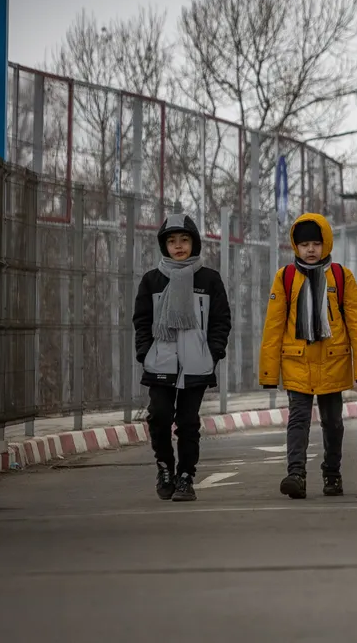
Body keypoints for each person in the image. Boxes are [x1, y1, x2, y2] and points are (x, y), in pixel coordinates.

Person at [259, 213, 357, 500]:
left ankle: (332, 473)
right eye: (304, 244)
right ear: (295, 247)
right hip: (297, 362)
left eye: (316, 243)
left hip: (333, 362)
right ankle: (295, 474)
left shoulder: (341, 276)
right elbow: (273, 327)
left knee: (333, 423)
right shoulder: (285, 278)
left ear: (326, 244)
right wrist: (269, 373)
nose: (310, 250)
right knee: (298, 419)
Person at [132, 213, 232, 503]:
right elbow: (141, 321)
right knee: (160, 416)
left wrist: (212, 354)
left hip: (196, 364)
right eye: (172, 241)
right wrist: (145, 353)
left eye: (184, 240)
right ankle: (165, 466)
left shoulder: (209, 279)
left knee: (188, 422)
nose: (178, 246)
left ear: (194, 243)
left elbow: (221, 321)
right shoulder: (152, 280)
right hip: (159, 361)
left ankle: (186, 476)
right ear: (164, 245)